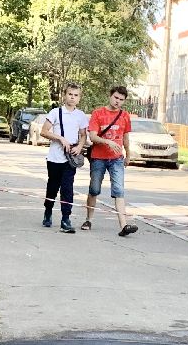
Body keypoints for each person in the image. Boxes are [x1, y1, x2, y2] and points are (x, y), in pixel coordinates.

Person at [83, 86, 138, 237]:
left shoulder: (124, 115)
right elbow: (92, 136)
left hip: (117, 159)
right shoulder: (98, 113)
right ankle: (88, 220)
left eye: (121, 99)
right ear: (110, 96)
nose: (117, 101)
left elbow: (125, 137)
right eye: (115, 97)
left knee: (119, 191)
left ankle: (124, 225)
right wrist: (108, 142)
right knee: (94, 189)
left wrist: (128, 154)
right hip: (98, 158)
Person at [41, 84, 89, 233]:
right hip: (55, 157)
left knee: (67, 188)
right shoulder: (55, 112)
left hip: (70, 159)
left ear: (79, 98)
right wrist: (60, 138)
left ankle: (65, 219)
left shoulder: (80, 115)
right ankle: (48, 211)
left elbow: (83, 135)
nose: (72, 97)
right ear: (65, 95)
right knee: (53, 187)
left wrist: (79, 147)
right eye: (70, 94)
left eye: (76, 95)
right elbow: (44, 131)